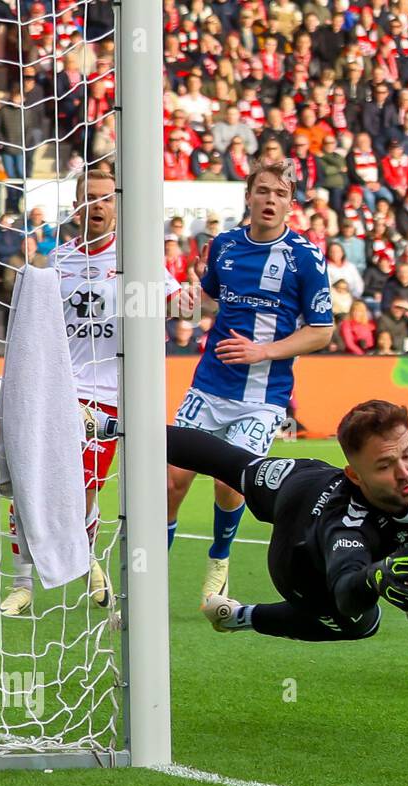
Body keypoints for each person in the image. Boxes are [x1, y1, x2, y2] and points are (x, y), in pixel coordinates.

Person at [0, 167, 193, 617]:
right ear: (76, 206)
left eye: (106, 198)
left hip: (107, 397)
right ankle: (21, 584)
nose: (99, 206)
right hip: (55, 393)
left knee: (82, 492)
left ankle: (86, 559)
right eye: (90, 197)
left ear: (118, 206)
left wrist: (202, 288)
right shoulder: (55, 265)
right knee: (29, 483)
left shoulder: (137, 261)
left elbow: (180, 305)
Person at [170, 400, 408, 641]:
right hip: (300, 558)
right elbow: (345, 591)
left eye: (406, 454)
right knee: (361, 623)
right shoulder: (346, 524)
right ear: (355, 475)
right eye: (384, 466)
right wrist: (376, 577)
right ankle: (241, 616)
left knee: (240, 466)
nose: (404, 472)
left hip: (302, 478)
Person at [166, 159, 335, 604]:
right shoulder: (223, 246)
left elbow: (322, 330)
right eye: (263, 191)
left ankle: (219, 562)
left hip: (263, 398)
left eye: (280, 194)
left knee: (229, 481)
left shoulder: (305, 257)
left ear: (291, 205)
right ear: (249, 196)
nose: (270, 200)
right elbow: (209, 302)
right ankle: (147, 588)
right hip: (208, 387)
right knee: (168, 481)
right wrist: (185, 301)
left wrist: (265, 351)